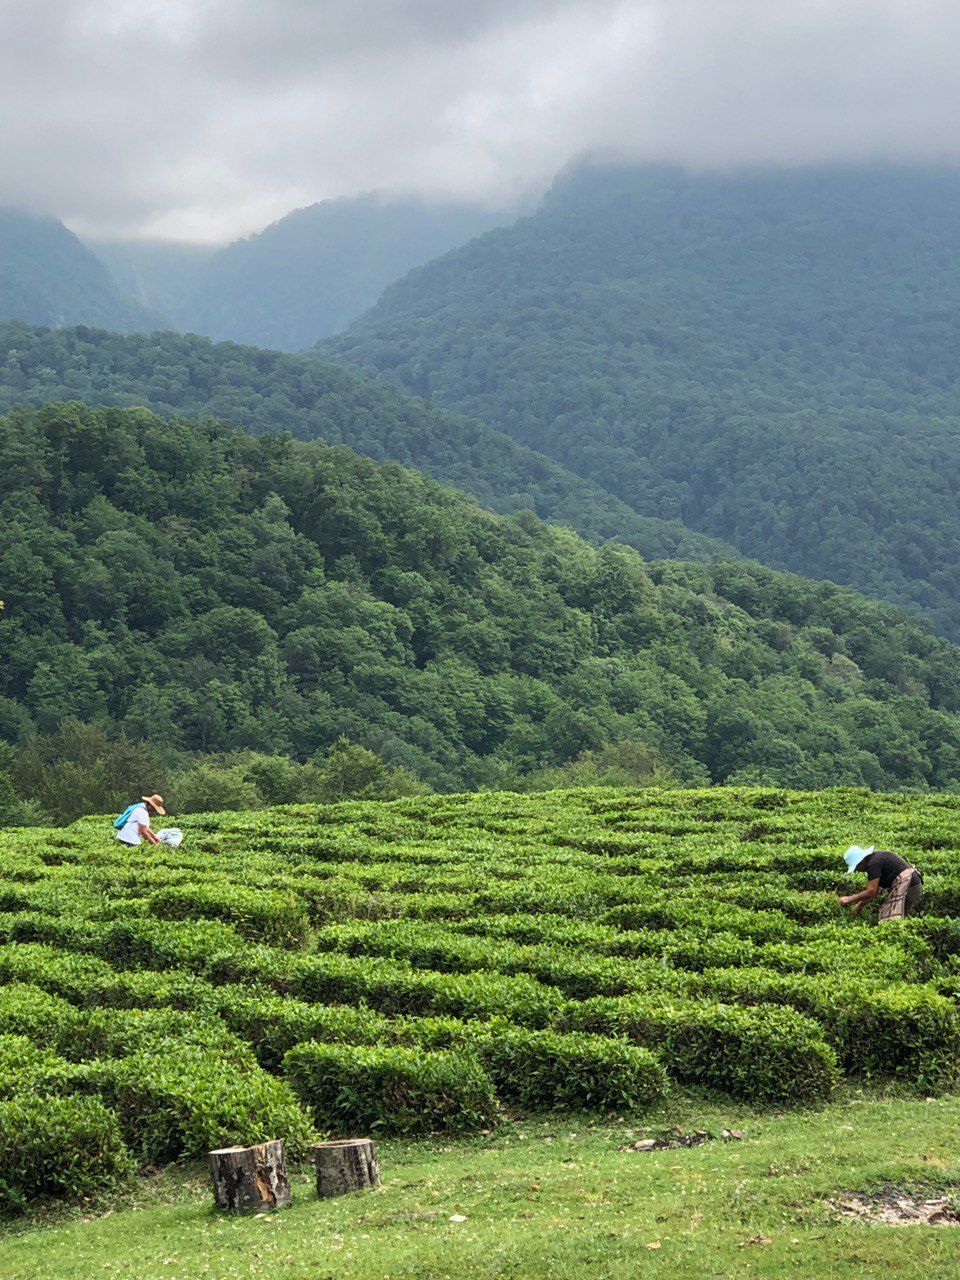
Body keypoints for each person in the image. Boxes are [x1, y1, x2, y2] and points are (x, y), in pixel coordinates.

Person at [839, 844, 923, 921]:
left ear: (861, 861)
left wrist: (849, 899)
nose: (857, 870)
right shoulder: (875, 860)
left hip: (909, 886)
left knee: (894, 921)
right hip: (912, 884)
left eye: (856, 866)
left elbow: (871, 891)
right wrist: (859, 906)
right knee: (892, 918)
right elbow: (874, 892)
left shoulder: (873, 863)